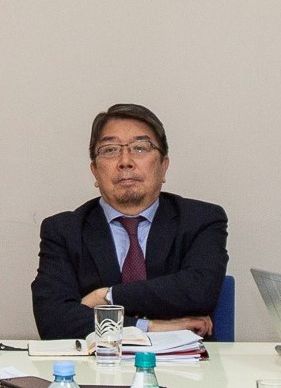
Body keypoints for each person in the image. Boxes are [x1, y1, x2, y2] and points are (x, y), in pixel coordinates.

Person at [30, 102, 230, 339]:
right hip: (97, 361)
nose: (125, 161)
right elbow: (53, 320)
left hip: (188, 361)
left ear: (164, 166)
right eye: (110, 150)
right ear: (95, 171)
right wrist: (149, 328)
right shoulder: (64, 231)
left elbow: (199, 290)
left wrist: (107, 296)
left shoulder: (201, 220)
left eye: (140, 148)